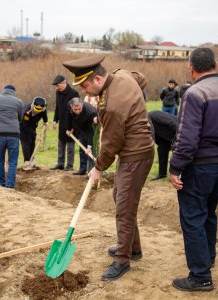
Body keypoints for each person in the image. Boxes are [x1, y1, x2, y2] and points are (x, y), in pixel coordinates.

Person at [62, 54, 154, 281]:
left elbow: (111, 142)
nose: (85, 93)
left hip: (135, 154)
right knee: (121, 197)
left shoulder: (111, 106)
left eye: (85, 86)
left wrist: (99, 167)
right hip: (135, 152)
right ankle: (134, 248)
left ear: (98, 80)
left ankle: (122, 260)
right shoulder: (122, 75)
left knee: (124, 207)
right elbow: (140, 78)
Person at [169, 47, 218, 292]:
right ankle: (208, 257)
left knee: (193, 218)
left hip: (199, 166)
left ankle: (200, 276)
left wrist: (175, 167)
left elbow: (186, 138)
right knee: (208, 213)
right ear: (215, 65)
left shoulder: (195, 93)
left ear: (191, 68)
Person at [0, 84, 23, 189]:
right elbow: (20, 117)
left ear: (3, 90)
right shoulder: (18, 102)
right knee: (12, 162)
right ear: (14, 92)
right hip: (13, 134)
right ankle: (10, 185)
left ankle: (0, 183)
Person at [51, 74, 79, 171]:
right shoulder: (58, 92)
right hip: (62, 122)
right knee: (61, 143)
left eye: (58, 85)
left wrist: (73, 127)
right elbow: (57, 107)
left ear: (64, 83)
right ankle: (60, 163)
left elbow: (77, 111)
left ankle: (69, 166)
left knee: (70, 146)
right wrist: (55, 120)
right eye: (56, 86)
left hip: (72, 122)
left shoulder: (74, 93)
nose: (57, 87)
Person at [66, 97, 98, 175]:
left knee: (91, 152)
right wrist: (69, 128)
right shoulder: (69, 106)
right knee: (82, 149)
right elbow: (69, 117)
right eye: (75, 109)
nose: (77, 111)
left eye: (79, 109)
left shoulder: (91, 113)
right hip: (81, 128)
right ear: (71, 106)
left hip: (91, 130)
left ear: (82, 105)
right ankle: (82, 169)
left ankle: (91, 172)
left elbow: (91, 131)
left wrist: (89, 146)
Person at [148, 110, 177, 181]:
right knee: (161, 150)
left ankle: (178, 174)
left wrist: (180, 135)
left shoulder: (154, 115)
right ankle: (162, 173)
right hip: (164, 138)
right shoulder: (145, 121)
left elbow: (171, 122)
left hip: (177, 131)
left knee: (177, 153)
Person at [20, 96, 48, 168]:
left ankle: (32, 162)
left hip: (33, 125)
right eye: (36, 110)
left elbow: (44, 114)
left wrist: (45, 121)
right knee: (26, 144)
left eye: (39, 110)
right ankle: (27, 162)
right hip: (23, 126)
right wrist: (35, 135)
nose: (37, 111)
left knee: (32, 143)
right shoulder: (27, 112)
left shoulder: (43, 108)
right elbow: (26, 126)